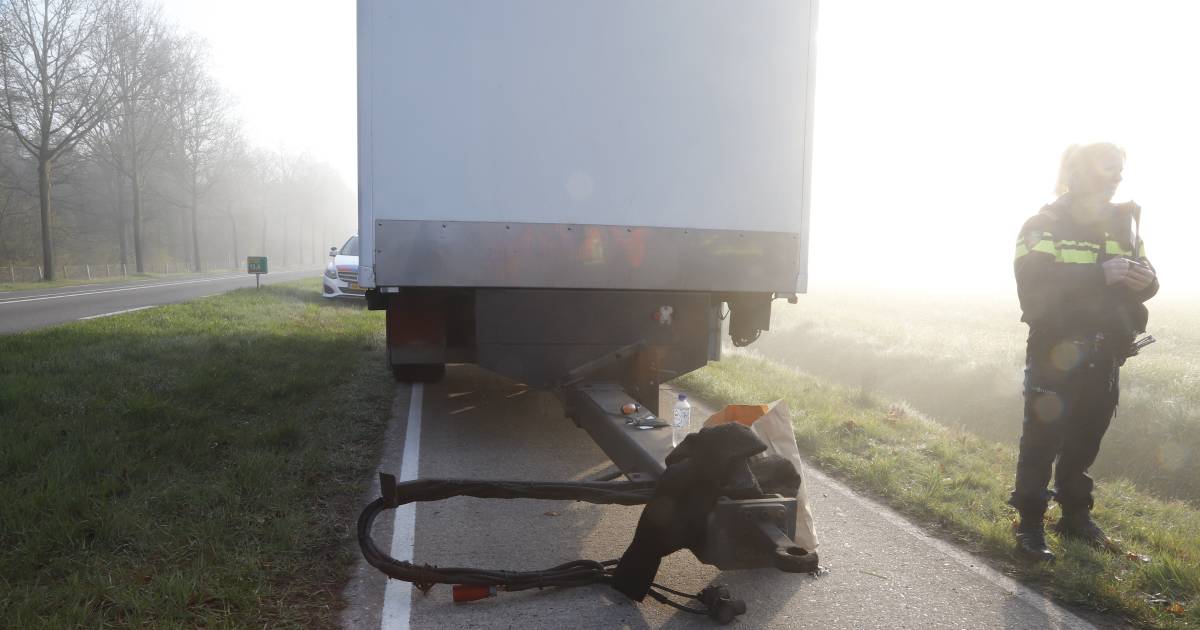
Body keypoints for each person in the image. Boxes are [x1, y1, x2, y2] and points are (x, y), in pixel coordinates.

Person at [1009, 143, 1158, 562]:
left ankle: (1074, 519)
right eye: (1107, 169)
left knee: (1084, 442)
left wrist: (1145, 280)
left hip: (1105, 352)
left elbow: (1149, 280)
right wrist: (1100, 274)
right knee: (1041, 441)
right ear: (1079, 171)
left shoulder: (1124, 226)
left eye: (1119, 171)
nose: (1115, 178)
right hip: (1055, 351)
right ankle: (1030, 527)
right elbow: (1033, 287)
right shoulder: (1043, 224)